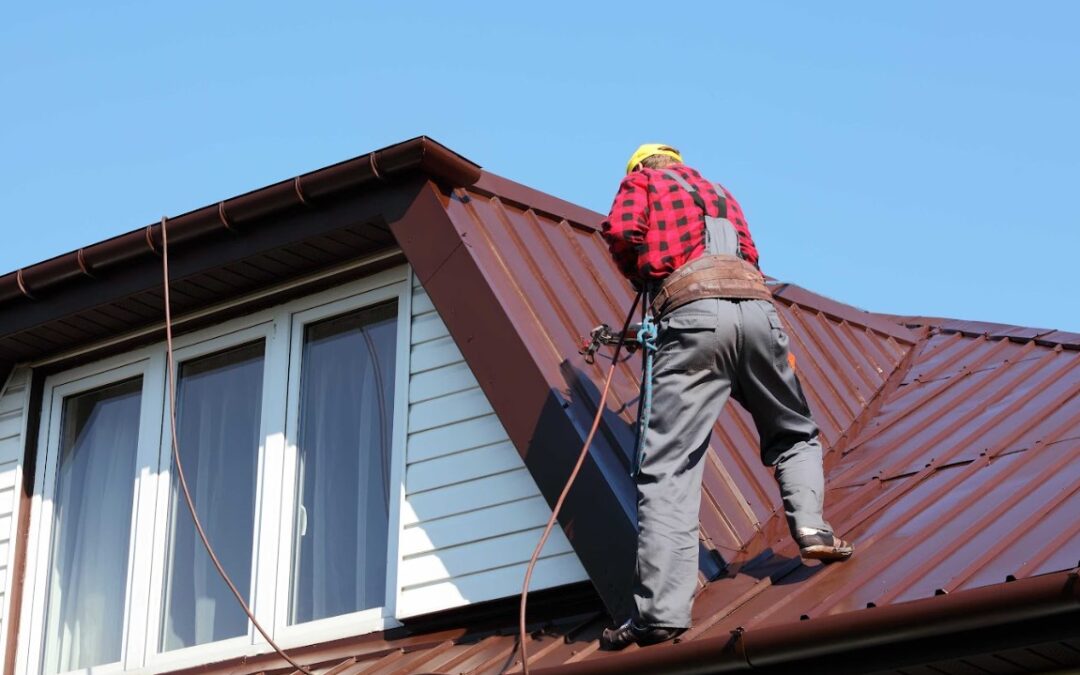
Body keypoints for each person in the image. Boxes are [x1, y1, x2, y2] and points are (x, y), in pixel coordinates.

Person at [598, 144, 853, 651]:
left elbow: (622, 231)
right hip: (759, 313)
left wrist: (641, 272)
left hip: (692, 315)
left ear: (642, 167)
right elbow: (750, 257)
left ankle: (661, 614)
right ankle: (813, 529)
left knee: (667, 465)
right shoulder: (721, 193)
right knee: (794, 429)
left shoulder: (643, 184)